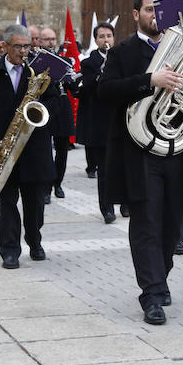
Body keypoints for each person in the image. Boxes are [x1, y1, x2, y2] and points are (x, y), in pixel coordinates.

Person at [98, 0, 183, 326]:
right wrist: (151, 79)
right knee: (147, 222)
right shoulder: (122, 52)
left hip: (179, 149)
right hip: (138, 152)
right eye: (149, 10)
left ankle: (159, 278)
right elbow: (104, 92)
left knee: (174, 223)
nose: (154, 16)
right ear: (136, 14)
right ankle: (151, 293)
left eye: (159, 10)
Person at [0, 25, 58, 268]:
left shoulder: (39, 70)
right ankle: (10, 251)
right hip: (4, 149)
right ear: (5, 46)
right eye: (19, 46)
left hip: (34, 147)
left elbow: (54, 101)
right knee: (8, 203)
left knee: (35, 204)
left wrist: (42, 110)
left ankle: (35, 241)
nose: (24, 51)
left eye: (27, 46)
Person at [72, 22, 116, 222]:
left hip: (120, 120)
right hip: (100, 121)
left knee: (123, 166)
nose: (106, 40)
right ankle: (107, 208)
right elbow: (88, 88)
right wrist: (102, 71)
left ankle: (125, 204)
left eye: (108, 36)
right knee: (105, 169)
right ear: (95, 40)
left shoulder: (121, 58)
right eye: (101, 36)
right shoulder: (89, 62)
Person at [40, 26, 73, 202]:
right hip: (44, 107)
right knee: (45, 150)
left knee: (62, 150)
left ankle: (57, 183)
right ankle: (45, 188)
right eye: (47, 39)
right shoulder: (36, 60)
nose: (51, 42)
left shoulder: (64, 60)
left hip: (62, 106)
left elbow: (72, 88)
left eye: (53, 39)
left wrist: (73, 77)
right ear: (39, 41)